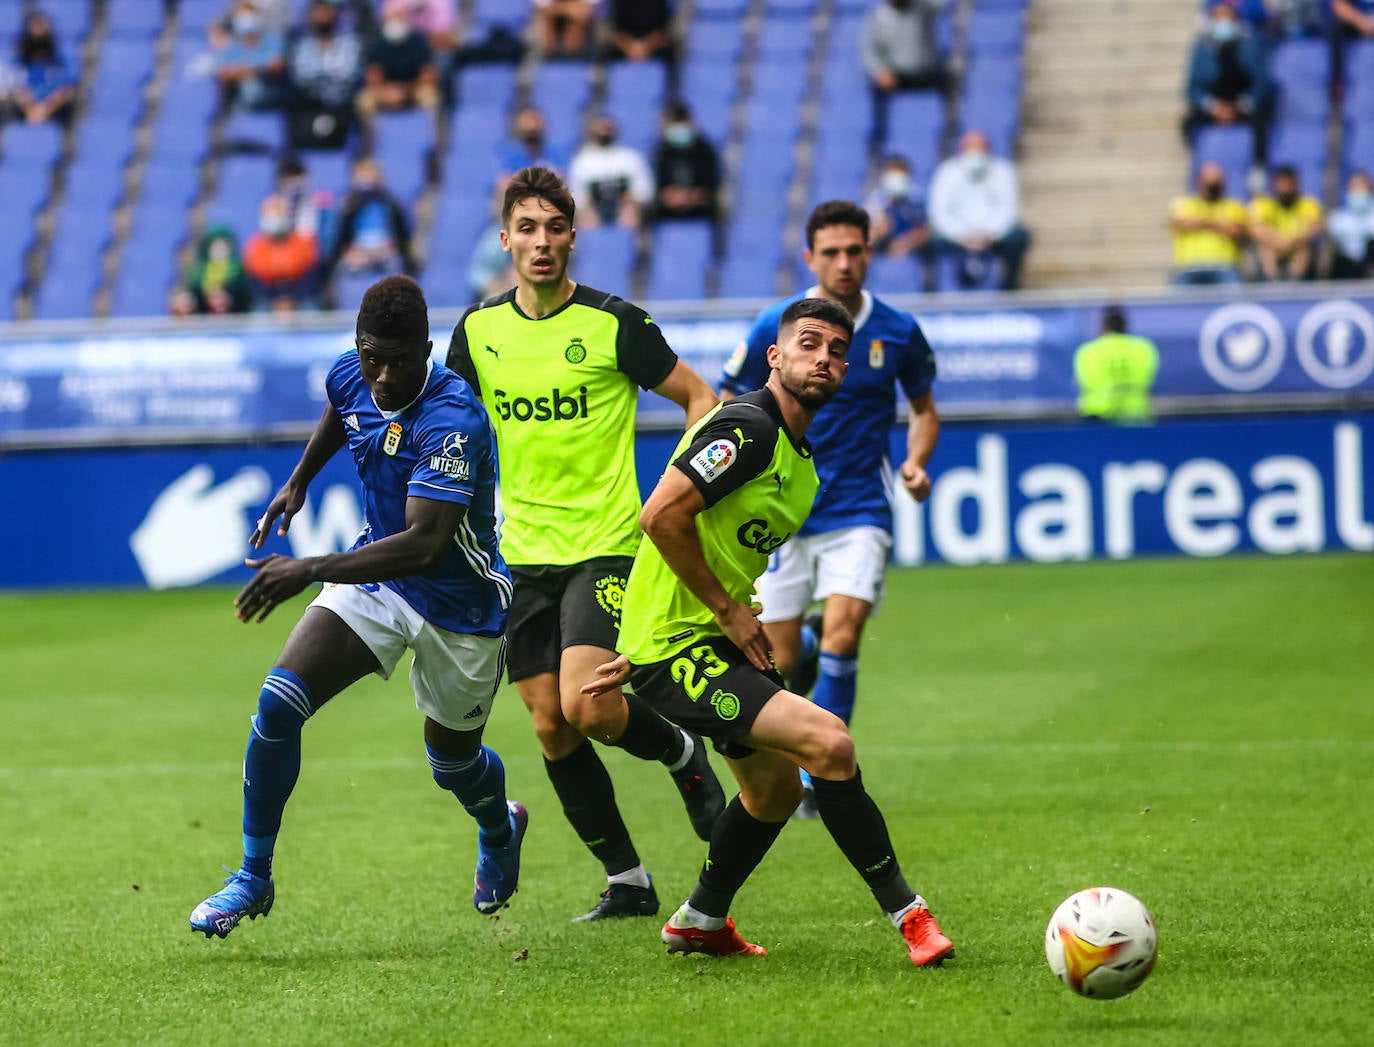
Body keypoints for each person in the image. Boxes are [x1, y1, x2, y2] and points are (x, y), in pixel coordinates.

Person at [583, 297, 956, 967]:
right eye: (809, 343)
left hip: (708, 639)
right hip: (679, 645)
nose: (825, 358)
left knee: (776, 791)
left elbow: (711, 541)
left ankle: (700, 918)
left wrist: (726, 612)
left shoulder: (800, 463)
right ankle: (911, 915)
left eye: (838, 350)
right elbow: (660, 516)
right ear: (775, 356)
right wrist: (714, 614)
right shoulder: (747, 427)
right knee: (830, 743)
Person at [190, 275, 527, 937]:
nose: (382, 374)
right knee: (278, 701)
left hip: (458, 605)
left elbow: (425, 545)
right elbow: (342, 409)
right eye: (371, 355)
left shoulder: (453, 418)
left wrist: (309, 568)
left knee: (452, 763)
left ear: (428, 349)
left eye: (399, 360)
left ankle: (499, 822)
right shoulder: (354, 372)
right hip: (378, 580)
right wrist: (297, 483)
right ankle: (253, 875)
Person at [446, 166, 725, 922]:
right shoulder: (477, 333)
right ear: (504, 240)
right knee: (547, 723)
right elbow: (455, 430)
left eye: (554, 228)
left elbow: (703, 399)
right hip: (521, 555)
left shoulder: (615, 325)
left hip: (605, 543)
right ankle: (628, 880)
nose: (541, 242)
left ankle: (680, 751)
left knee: (591, 706)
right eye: (526, 229)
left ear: (574, 235)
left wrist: (682, 492)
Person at [719, 200, 939, 817]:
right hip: (781, 517)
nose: (844, 263)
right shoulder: (779, 324)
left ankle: (820, 779)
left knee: (846, 632)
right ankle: (803, 671)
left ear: (870, 252)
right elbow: (729, 400)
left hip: (858, 508)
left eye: (855, 250)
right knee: (778, 658)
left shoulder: (897, 331)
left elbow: (925, 410)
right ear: (810, 257)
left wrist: (917, 462)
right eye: (832, 252)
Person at [928, 129, 1031, 290]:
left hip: (993, 236)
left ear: (988, 149)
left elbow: (1009, 211)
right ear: (961, 150)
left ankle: (1010, 288)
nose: (975, 154)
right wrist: (963, 236)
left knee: (1019, 236)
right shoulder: (947, 172)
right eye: (970, 148)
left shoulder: (1004, 171)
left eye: (979, 148)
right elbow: (940, 214)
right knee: (930, 241)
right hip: (957, 236)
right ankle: (933, 292)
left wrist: (988, 235)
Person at [1183, 3, 1273, 157]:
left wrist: (1242, 104)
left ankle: (1258, 165)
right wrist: (1214, 107)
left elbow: (1263, 83)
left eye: (1227, 16)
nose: (1223, 21)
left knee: (1261, 120)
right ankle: (1202, 163)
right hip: (1216, 105)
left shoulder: (1251, 45)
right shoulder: (1203, 49)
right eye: (1219, 16)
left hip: (1243, 105)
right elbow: (1193, 88)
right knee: (1188, 123)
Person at [861, 0, 950, 152]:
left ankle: (948, 131)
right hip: (896, 74)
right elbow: (869, 52)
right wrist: (880, 72)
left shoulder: (922, 8)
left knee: (950, 82)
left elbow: (941, 5)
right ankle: (878, 140)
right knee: (876, 90)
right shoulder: (878, 16)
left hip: (926, 70)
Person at [323, 157, 416, 285]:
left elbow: (403, 235)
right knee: (344, 268)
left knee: (396, 266)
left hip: (385, 252)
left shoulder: (391, 204)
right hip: (357, 252)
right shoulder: (348, 206)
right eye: (361, 177)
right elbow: (340, 238)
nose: (366, 183)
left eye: (369, 177)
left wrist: (388, 249)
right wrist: (350, 252)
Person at [285, 0, 363, 151]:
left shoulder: (350, 43)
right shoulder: (302, 45)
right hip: (309, 104)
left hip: (343, 104)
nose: (321, 17)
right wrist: (329, 77)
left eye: (325, 12)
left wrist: (320, 77)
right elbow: (301, 76)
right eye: (317, 13)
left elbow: (348, 74)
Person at [356, 0, 440, 133]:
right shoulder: (376, 43)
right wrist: (387, 92)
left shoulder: (418, 41)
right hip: (385, 91)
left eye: (399, 16)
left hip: (413, 90)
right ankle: (368, 148)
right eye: (392, 16)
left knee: (431, 96)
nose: (395, 20)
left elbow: (429, 76)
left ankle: (436, 148)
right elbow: (372, 77)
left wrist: (405, 91)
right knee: (365, 100)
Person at [1073, 306, 1160, 425]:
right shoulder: (1144, 348)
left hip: (1098, 414)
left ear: (1102, 327)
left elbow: (1082, 382)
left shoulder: (1088, 351)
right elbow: (1149, 378)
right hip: (1135, 414)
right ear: (1125, 327)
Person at [567, 114, 655, 230]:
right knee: (585, 216)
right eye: (600, 128)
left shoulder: (631, 158)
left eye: (607, 128)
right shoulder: (581, 162)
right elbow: (576, 196)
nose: (604, 132)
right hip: (594, 209)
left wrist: (633, 201)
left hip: (623, 207)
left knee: (631, 213)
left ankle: (626, 244)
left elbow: (644, 191)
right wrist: (586, 206)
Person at [1169, 161, 1249, 285]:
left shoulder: (1234, 206)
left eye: (1215, 183)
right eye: (1208, 183)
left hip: (1224, 266)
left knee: (1235, 292)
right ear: (1199, 182)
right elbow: (1180, 224)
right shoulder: (1185, 204)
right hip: (1189, 267)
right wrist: (1219, 226)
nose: (1212, 187)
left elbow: (1236, 232)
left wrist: (1203, 223)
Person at [243, 192, 320, 311]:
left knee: (311, 309)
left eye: (278, 213)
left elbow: (309, 278)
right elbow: (256, 283)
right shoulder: (256, 246)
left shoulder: (303, 243)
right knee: (260, 312)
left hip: (300, 297)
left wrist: (292, 300)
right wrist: (275, 301)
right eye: (270, 214)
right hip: (269, 298)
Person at [1248, 164, 1324, 281]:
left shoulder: (1308, 204)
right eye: (1282, 184)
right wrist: (1279, 242)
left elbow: (1315, 227)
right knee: (1265, 249)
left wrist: (1293, 242)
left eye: (1289, 185)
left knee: (1304, 250)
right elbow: (1256, 228)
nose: (1285, 189)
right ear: (1274, 184)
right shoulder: (1264, 204)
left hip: (1297, 249)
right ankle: (1272, 281)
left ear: (1296, 184)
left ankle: (1294, 282)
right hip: (1275, 249)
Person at [652, 99, 721, 224]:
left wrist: (689, 197)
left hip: (699, 208)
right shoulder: (660, 150)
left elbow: (712, 185)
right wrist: (671, 196)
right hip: (666, 209)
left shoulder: (704, 149)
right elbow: (655, 184)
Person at [864, 155, 935, 274]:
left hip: (914, 254)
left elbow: (927, 230)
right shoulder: (875, 201)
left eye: (900, 176)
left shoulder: (916, 200)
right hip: (883, 252)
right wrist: (878, 230)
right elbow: (868, 234)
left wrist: (905, 243)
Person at [215, 1, 287, 112]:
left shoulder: (273, 40)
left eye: (249, 15)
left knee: (251, 89)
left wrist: (245, 71)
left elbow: (277, 67)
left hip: (270, 94)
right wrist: (256, 69)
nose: (245, 19)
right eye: (241, 15)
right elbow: (224, 74)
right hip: (240, 100)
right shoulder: (233, 45)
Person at [170, 225, 253, 316]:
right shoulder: (198, 274)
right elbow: (193, 298)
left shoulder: (239, 274)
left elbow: (247, 300)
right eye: (215, 247)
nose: (220, 252)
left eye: (224, 247)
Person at [12, 12, 75, 126]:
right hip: (26, 108)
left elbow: (66, 88)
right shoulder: (20, 57)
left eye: (42, 26)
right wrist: (30, 108)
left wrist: (46, 109)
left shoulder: (59, 56)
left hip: (54, 108)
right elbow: (16, 85)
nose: (39, 29)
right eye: (35, 26)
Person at [1328, 171, 1374, 279]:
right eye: (1355, 188)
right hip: (1348, 266)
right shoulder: (1337, 218)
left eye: (1361, 188)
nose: (1358, 193)